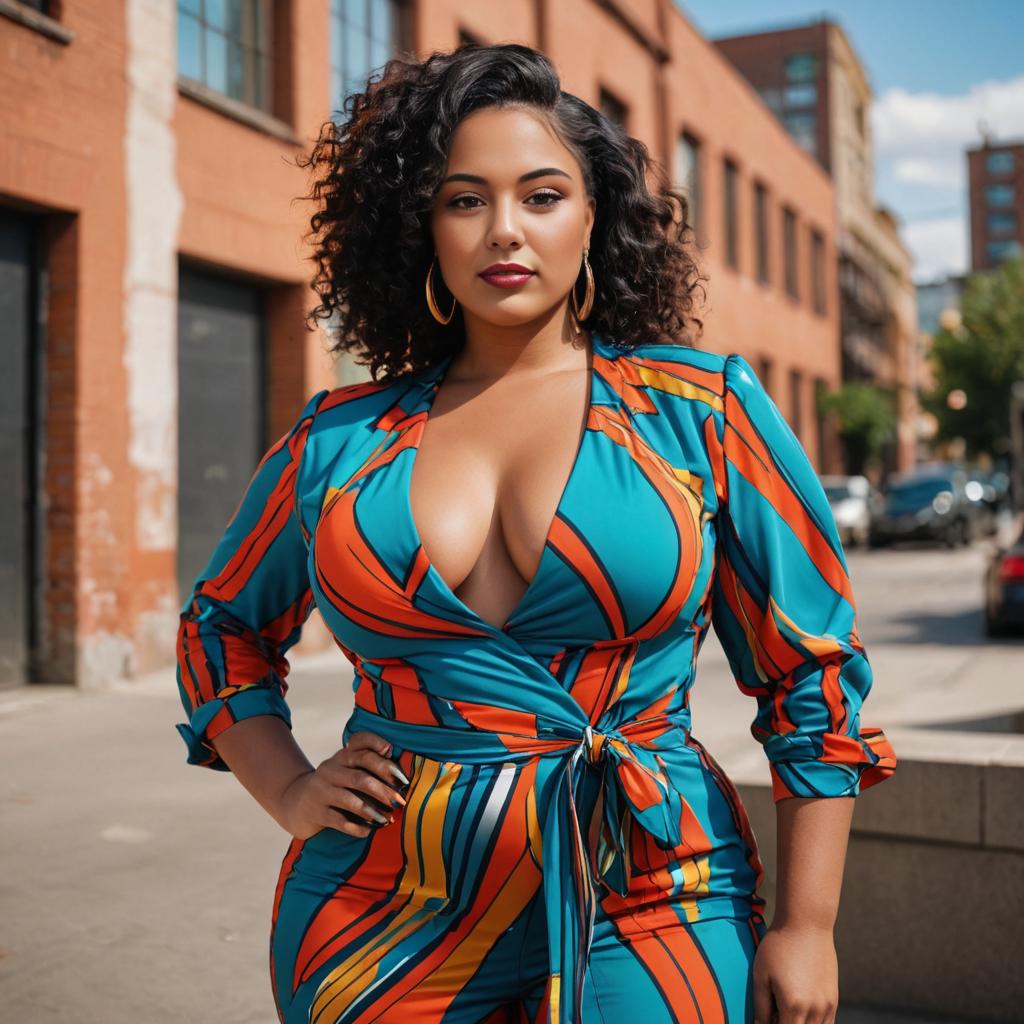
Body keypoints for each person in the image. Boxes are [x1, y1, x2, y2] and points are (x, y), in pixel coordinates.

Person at [174, 42, 897, 1024]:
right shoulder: (338, 440)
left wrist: (809, 925)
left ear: (594, 214)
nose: (503, 231)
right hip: (378, 907)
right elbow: (220, 625)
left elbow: (807, 673)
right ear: (420, 227)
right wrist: (289, 787)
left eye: (542, 195)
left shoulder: (700, 412)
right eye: (464, 200)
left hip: (654, 887)